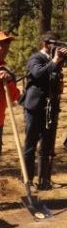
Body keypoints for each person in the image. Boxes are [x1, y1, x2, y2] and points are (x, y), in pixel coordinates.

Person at [21, 32, 67, 189]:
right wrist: (55, 60)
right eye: (54, 44)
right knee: (31, 144)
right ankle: (28, 179)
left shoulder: (54, 60)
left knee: (47, 145)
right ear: (45, 43)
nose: (57, 48)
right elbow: (37, 73)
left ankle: (44, 180)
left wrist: (60, 60)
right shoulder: (36, 58)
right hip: (35, 106)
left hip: (50, 107)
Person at [0, 31, 20, 159]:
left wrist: (9, 83)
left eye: (7, 44)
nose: (5, 48)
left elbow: (14, 97)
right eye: (2, 44)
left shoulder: (7, 71)